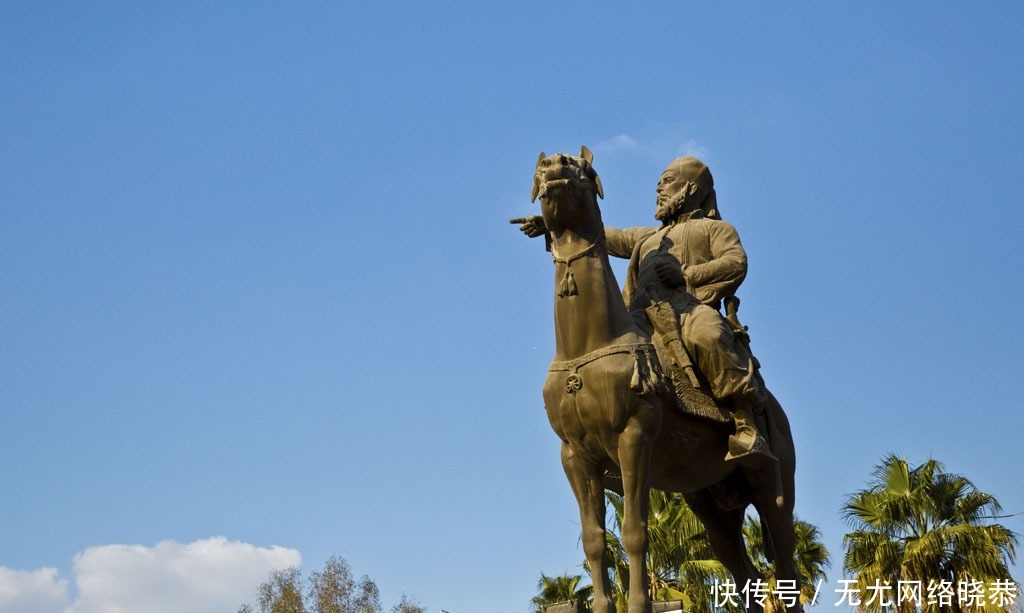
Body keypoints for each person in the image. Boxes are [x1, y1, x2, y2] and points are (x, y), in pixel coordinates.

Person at [515, 156, 774, 467]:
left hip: (688, 309)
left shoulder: (715, 229)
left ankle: (743, 419)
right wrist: (555, 222)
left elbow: (735, 262)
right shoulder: (648, 237)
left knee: (709, 334)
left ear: (689, 187)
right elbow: (605, 234)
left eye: (666, 181)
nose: (658, 189)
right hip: (643, 314)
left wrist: (687, 276)